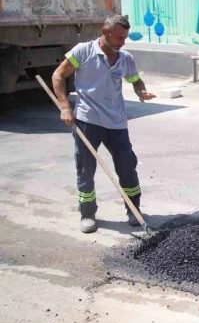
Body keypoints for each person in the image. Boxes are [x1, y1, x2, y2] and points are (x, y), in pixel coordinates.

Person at [52, 15, 156, 234]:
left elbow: (135, 80)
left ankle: (133, 210)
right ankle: (87, 213)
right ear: (105, 32)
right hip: (88, 121)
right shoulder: (83, 52)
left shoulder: (125, 58)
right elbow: (58, 75)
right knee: (85, 169)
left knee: (127, 167)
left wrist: (141, 91)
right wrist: (64, 106)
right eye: (119, 37)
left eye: (125, 38)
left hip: (117, 123)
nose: (122, 41)